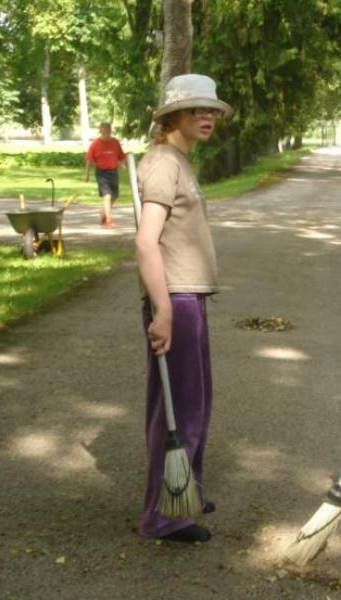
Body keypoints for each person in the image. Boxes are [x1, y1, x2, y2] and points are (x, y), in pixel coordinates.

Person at [134, 74, 232, 543]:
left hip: (188, 296)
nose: (208, 116)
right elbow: (145, 241)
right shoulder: (162, 163)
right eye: (198, 110)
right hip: (174, 299)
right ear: (173, 116)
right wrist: (163, 309)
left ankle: (184, 492)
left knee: (197, 400)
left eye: (211, 110)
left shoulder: (179, 161)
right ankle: (164, 515)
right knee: (177, 408)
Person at [84, 122, 126, 227]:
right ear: (100, 131)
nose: (106, 134)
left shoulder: (115, 142)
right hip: (101, 172)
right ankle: (108, 220)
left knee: (114, 196)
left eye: (108, 131)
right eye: (104, 131)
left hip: (113, 171)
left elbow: (121, 156)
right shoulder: (95, 144)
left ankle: (103, 212)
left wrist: (122, 164)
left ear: (110, 131)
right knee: (107, 195)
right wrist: (87, 174)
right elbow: (89, 159)